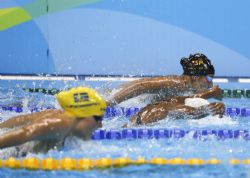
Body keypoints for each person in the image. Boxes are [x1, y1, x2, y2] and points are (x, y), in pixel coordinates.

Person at [0, 87, 107, 152]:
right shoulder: (61, 124)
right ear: (85, 115)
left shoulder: (63, 118)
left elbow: (22, 120)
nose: (100, 125)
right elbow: (25, 133)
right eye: (98, 118)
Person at [108, 53, 220, 106]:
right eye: (209, 78)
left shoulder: (192, 86)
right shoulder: (177, 83)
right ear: (196, 76)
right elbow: (141, 86)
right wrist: (109, 103)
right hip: (119, 95)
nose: (211, 83)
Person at [129, 88, 225, 125]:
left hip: (134, 122)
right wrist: (209, 109)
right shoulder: (168, 107)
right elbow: (194, 112)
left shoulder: (155, 105)